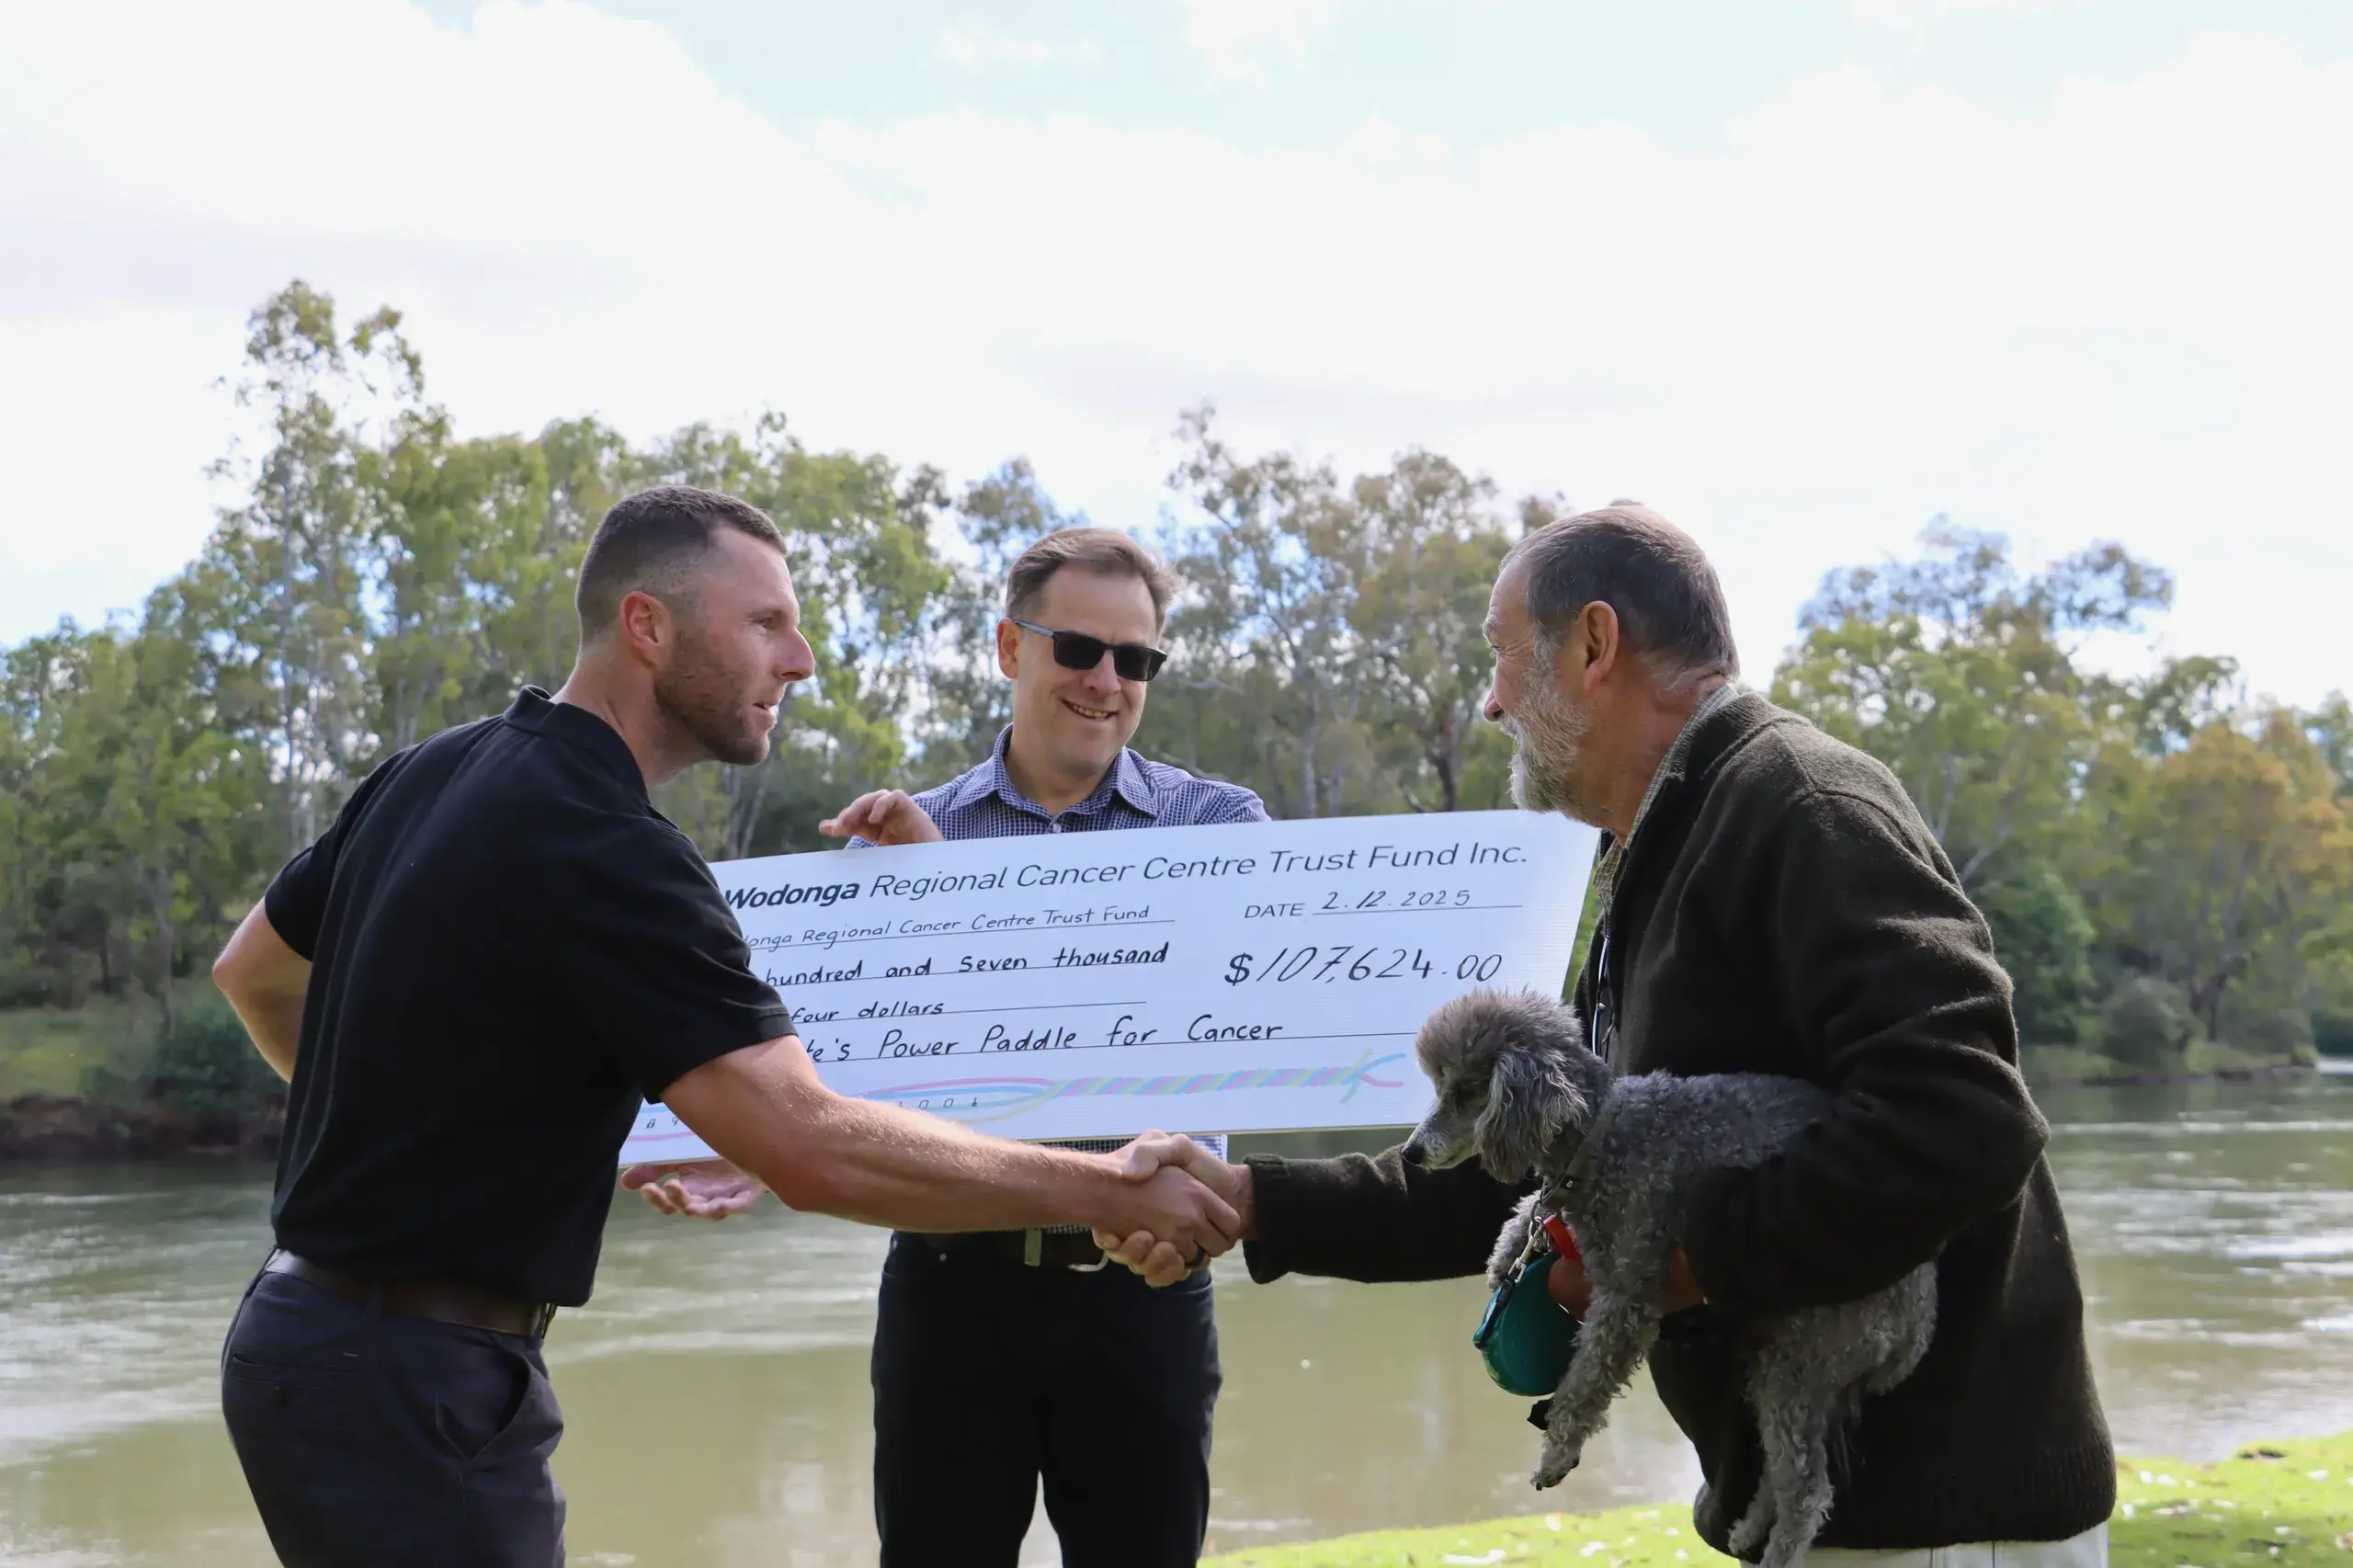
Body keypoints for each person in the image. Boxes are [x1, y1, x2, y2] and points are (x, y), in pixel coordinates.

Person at [207, 485, 1238, 1568]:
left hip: (308, 1345)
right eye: (766, 624)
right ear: (648, 625)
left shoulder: (434, 768)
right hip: (411, 1384)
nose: (797, 659)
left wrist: (475, 1135)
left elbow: (256, 975)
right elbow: (808, 1143)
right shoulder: (611, 845)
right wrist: (1116, 1184)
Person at [1107, 505, 2116, 1565]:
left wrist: (1676, 1265)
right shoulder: (1656, 846)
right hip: (1834, 1512)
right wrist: (1252, 1202)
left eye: (1500, 656)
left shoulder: (1801, 804)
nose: (1491, 700)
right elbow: (1547, 1170)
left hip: (1939, 1514)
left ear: (1592, 644)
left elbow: (1963, 1119)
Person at [650, 528, 1268, 1568]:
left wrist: (961, 905)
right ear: (1006, 648)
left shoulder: (1227, 829)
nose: (1106, 680)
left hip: (1146, 1290)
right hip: (950, 1290)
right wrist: (742, 1141)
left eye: (1136, 659)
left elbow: (1227, 1040)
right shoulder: (900, 840)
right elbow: (831, 1076)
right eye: (1078, 647)